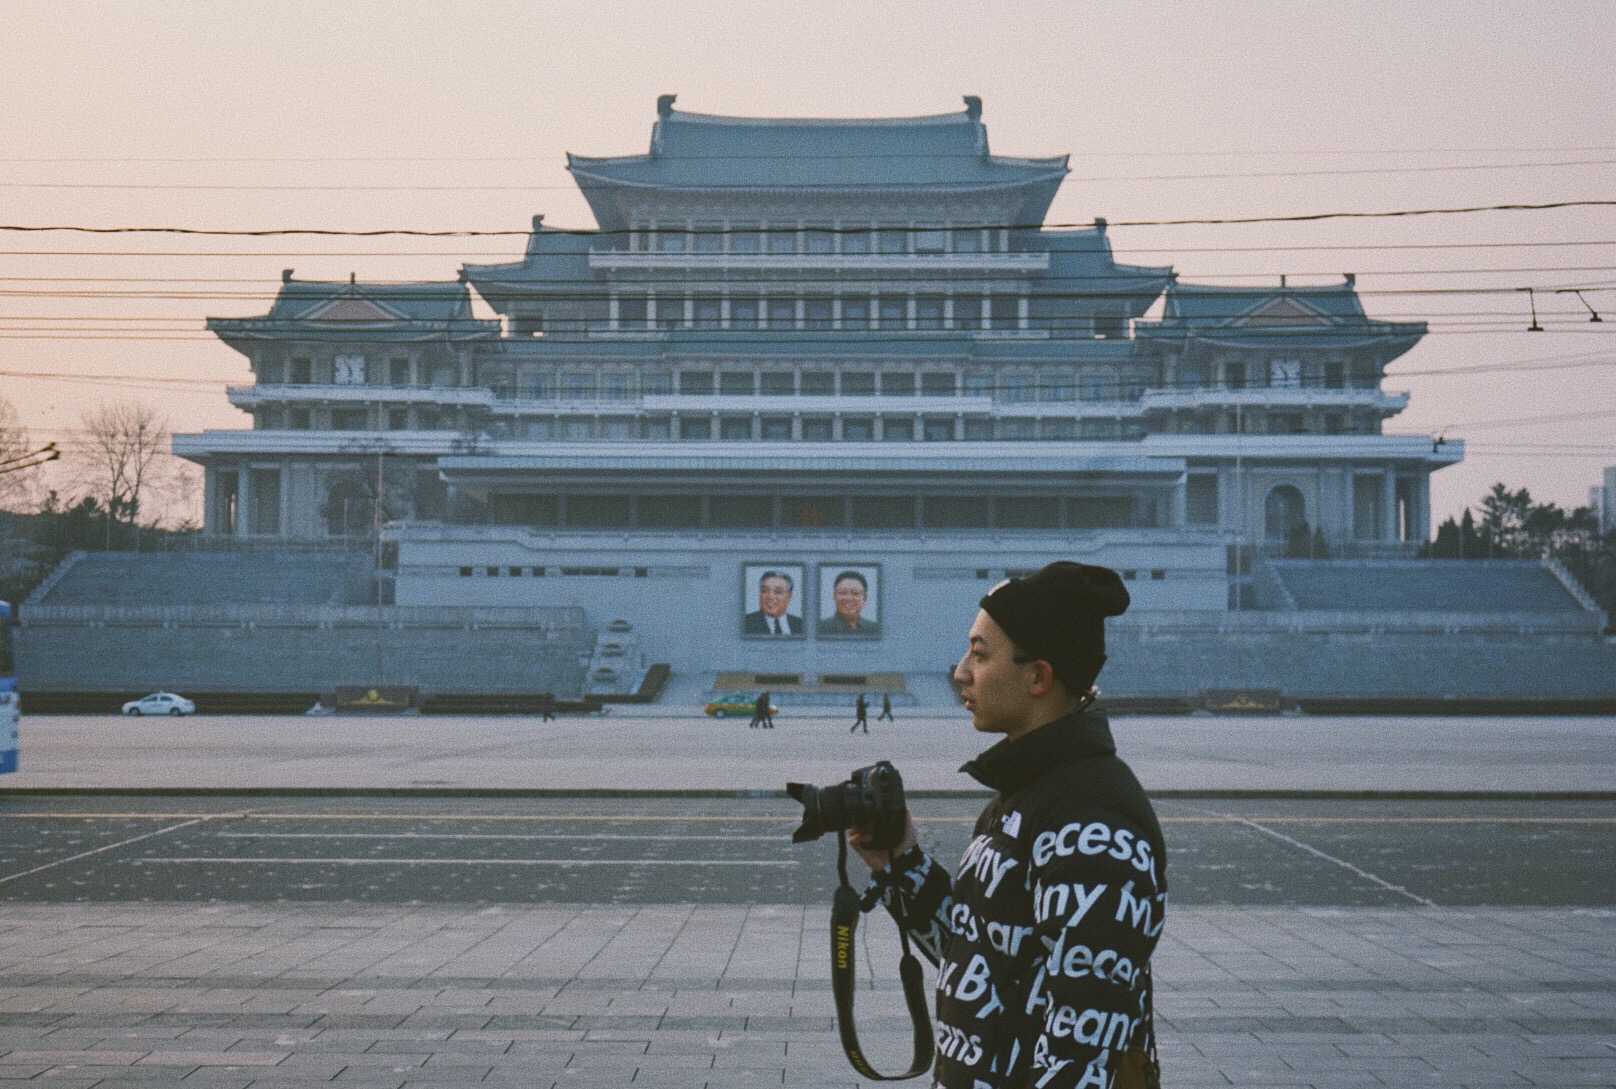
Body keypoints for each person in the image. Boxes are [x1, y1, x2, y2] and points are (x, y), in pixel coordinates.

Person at [850, 561, 1165, 1089]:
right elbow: (983, 959)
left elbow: (1080, 1051)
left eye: (979, 655)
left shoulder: (1091, 823)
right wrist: (901, 865)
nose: (960, 673)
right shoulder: (1033, 790)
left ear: (1039, 676)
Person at [818, 569, 881, 636]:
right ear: (834, 597)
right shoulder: (821, 628)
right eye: (842, 593)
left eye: (855, 593)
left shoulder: (874, 629)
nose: (848, 598)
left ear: (865, 598)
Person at [744, 570, 802, 635]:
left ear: (789, 597)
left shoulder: (801, 624)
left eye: (778, 592)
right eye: (765, 590)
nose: (770, 596)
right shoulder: (745, 623)